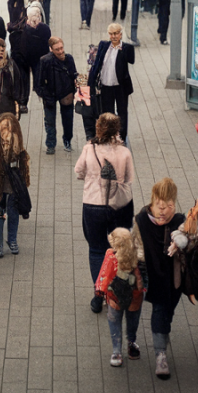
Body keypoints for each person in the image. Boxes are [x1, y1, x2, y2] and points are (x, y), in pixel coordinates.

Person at [75, 113, 135, 314]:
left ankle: (98, 293)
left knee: (96, 250)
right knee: (119, 249)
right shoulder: (125, 153)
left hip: (93, 206)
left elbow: (78, 172)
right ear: (117, 130)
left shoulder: (89, 149)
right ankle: (117, 290)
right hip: (119, 207)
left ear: (98, 129)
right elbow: (129, 179)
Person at [133, 178, 188, 379]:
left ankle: (162, 335)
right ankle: (160, 355)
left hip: (174, 279)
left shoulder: (179, 221)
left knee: (168, 311)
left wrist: (183, 241)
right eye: (159, 206)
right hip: (152, 276)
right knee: (159, 310)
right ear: (153, 202)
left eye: (169, 206)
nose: (163, 211)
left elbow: (190, 242)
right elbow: (136, 247)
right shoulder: (141, 220)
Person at [95, 228, 145, 367]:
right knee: (133, 320)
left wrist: (100, 290)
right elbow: (142, 279)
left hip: (114, 297)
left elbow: (104, 274)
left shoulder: (110, 255)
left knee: (114, 320)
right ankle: (131, 343)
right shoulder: (138, 257)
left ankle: (116, 351)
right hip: (135, 297)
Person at [0, 113, 31, 258]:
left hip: (13, 185)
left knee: (13, 212)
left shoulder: (18, 146)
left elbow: (24, 167)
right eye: (4, 129)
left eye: (10, 129)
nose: (7, 133)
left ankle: (12, 240)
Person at [90, 23, 135, 142]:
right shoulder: (103, 45)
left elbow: (132, 60)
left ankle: (121, 137)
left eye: (116, 34)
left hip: (120, 86)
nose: (113, 36)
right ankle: (109, 136)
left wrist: (122, 49)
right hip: (106, 85)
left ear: (120, 34)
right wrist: (91, 81)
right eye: (111, 34)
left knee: (122, 112)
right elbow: (97, 64)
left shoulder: (126, 48)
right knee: (107, 112)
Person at [36, 36, 78, 155]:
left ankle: (67, 141)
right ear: (51, 49)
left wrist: (76, 81)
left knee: (68, 119)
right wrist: (43, 94)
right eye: (57, 49)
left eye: (61, 48)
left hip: (66, 93)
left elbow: (74, 73)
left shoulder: (69, 59)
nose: (60, 51)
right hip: (50, 94)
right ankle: (50, 144)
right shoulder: (45, 61)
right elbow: (39, 80)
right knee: (49, 121)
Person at [16, 6, 51, 104]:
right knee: (39, 72)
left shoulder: (24, 29)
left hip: (28, 58)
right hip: (41, 56)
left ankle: (30, 93)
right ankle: (38, 88)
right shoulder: (45, 28)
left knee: (28, 76)